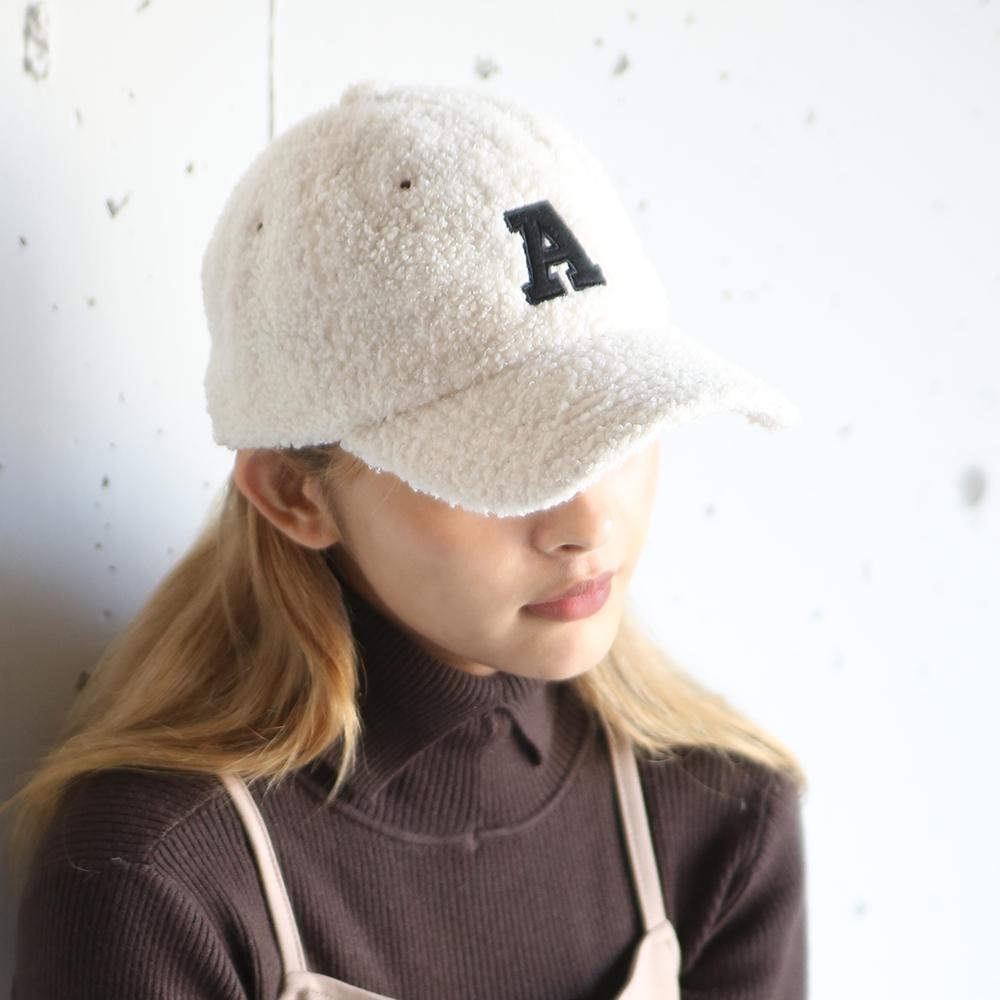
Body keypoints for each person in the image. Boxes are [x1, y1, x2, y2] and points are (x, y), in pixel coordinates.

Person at [5, 79, 808, 999]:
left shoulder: (719, 820)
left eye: (620, 428)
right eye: (503, 463)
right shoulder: (156, 881)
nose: (590, 525)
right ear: (294, 494)